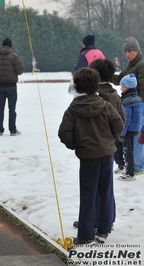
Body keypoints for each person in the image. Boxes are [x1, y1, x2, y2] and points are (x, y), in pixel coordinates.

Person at [58, 67, 124, 245]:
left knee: (89, 193)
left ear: (77, 86)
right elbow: (118, 124)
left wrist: (76, 145)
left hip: (88, 158)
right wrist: (109, 140)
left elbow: (64, 133)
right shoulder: (106, 105)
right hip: (106, 155)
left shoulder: (73, 109)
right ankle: (104, 227)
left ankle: (86, 233)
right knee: (106, 191)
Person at [72, 58, 125, 230]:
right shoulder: (115, 96)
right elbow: (121, 120)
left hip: (91, 147)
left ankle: (91, 221)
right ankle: (107, 220)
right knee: (106, 186)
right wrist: (111, 138)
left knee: (92, 187)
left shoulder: (93, 97)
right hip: (109, 146)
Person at [114, 37, 144, 174]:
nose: (127, 54)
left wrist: (140, 106)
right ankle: (136, 163)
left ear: (136, 50)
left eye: (130, 51)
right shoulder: (131, 64)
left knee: (137, 135)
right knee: (135, 135)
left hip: (139, 105)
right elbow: (121, 79)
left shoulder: (141, 64)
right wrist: (105, 75)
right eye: (126, 51)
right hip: (135, 104)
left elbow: (143, 88)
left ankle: (138, 166)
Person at [0, 38, 24, 136]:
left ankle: (0, 130)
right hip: (11, 86)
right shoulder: (15, 57)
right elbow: (20, 71)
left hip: (0, 85)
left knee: (0, 109)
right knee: (12, 109)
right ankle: (12, 130)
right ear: (10, 46)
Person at [114, 74, 144, 181]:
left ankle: (130, 173)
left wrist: (122, 134)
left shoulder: (126, 102)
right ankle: (122, 165)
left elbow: (125, 121)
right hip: (136, 128)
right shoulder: (138, 99)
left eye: (122, 86)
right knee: (119, 146)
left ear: (127, 87)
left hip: (128, 131)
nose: (121, 87)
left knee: (127, 151)